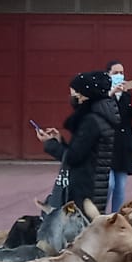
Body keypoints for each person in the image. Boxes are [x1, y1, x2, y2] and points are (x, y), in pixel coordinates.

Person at [31, 69, 121, 212]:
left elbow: (74, 157)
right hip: (94, 188)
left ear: (84, 96)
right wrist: (60, 141)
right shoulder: (102, 116)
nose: (71, 96)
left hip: (85, 190)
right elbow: (84, 152)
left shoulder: (91, 121)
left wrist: (50, 144)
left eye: (73, 92)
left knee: (80, 230)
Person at [104, 59, 132, 213]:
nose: (119, 75)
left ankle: (115, 217)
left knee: (120, 187)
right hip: (106, 145)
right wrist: (111, 93)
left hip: (124, 145)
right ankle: (100, 214)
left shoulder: (128, 95)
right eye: (115, 73)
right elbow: (98, 110)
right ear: (108, 74)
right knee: (109, 184)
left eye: (121, 73)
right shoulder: (103, 95)